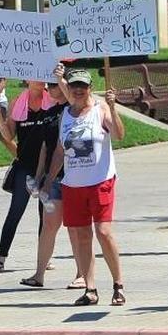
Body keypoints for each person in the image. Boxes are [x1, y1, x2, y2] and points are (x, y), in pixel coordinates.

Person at [44, 67, 125, 306]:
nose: (78, 90)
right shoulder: (66, 115)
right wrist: (49, 179)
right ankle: (90, 288)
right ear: (67, 88)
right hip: (73, 185)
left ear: (90, 87)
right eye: (73, 86)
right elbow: (61, 150)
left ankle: (118, 285)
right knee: (81, 235)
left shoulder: (101, 110)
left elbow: (119, 135)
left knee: (103, 232)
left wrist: (114, 107)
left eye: (83, 86)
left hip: (100, 181)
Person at [0, 76, 63, 275]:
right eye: (36, 77)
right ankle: (1, 258)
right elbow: (9, 135)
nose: (41, 80)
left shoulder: (53, 103)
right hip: (25, 167)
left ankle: (43, 260)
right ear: (27, 80)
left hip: (47, 168)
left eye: (43, 77)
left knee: (45, 215)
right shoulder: (18, 103)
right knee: (15, 211)